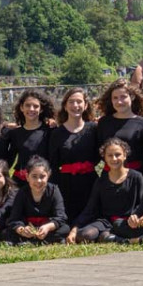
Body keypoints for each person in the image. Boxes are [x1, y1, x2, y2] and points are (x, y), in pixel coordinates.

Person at [68, 138, 143, 244]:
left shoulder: (136, 177)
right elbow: (90, 208)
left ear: (125, 155)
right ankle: (112, 237)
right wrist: (75, 229)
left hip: (127, 222)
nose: (114, 158)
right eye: (110, 155)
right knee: (85, 235)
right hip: (106, 222)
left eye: (118, 154)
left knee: (110, 235)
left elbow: (142, 204)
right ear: (104, 158)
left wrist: (135, 216)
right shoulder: (101, 180)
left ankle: (113, 238)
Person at [48, 88, 100, 222]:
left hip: (90, 181)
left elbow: (99, 154)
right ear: (65, 106)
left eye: (79, 102)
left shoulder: (93, 129)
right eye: (71, 102)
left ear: (86, 105)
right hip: (65, 183)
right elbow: (53, 163)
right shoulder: (56, 133)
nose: (75, 106)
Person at [96, 79, 143, 182]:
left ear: (132, 97)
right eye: (115, 98)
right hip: (109, 176)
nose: (119, 101)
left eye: (123, 97)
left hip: (136, 177)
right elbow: (98, 150)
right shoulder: (104, 122)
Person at [5, 156, 70, 245]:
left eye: (42, 176)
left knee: (65, 229)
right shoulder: (22, 192)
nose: (38, 181)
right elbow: (14, 218)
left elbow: (61, 217)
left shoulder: (54, 191)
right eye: (34, 177)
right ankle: (39, 241)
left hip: (46, 228)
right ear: (27, 177)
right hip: (28, 229)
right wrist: (22, 230)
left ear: (48, 175)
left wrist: (48, 227)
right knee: (6, 233)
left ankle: (31, 242)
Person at [6, 89, 55, 187]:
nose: (31, 109)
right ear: (21, 108)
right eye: (27, 105)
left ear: (41, 109)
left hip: (43, 182)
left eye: (36, 106)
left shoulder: (50, 131)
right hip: (21, 183)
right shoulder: (15, 133)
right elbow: (9, 160)